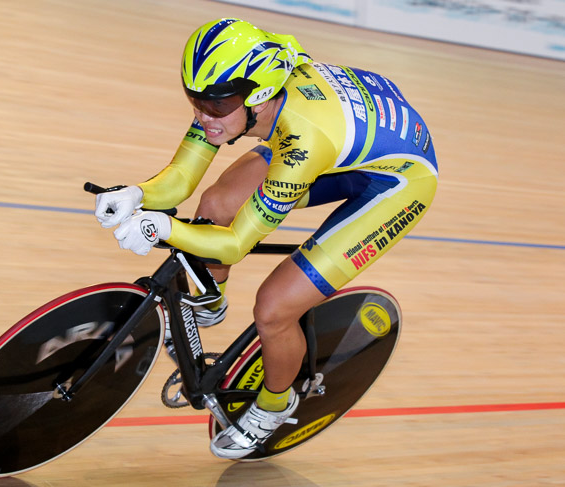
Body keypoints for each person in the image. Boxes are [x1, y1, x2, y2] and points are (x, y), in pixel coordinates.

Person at [94, 18, 438, 459]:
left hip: (396, 183)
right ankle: (209, 299)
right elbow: (182, 180)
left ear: (256, 98)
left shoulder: (302, 140)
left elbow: (237, 242)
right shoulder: (231, 95)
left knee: (274, 308)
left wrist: (163, 228)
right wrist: (137, 193)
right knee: (217, 202)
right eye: (194, 99)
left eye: (215, 107)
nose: (202, 115)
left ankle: (277, 404)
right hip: (347, 136)